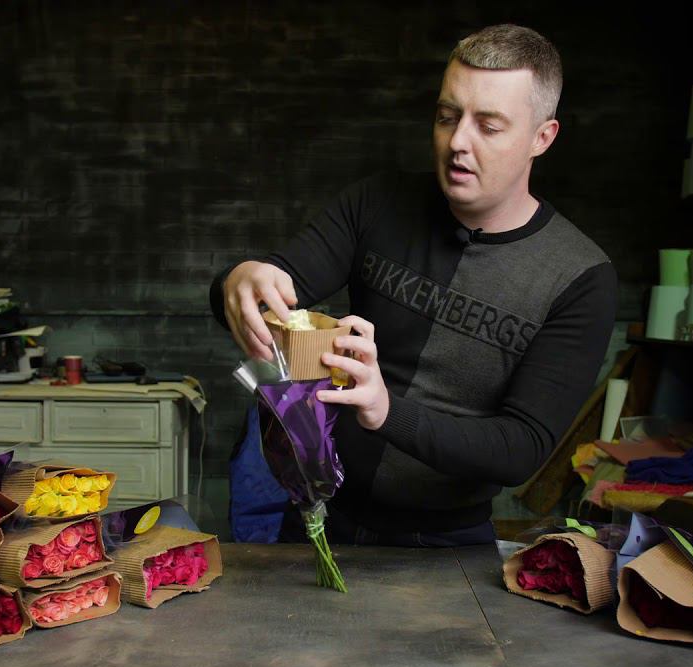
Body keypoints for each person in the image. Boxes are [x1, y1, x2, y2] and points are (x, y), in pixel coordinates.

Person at [210, 24, 617, 547]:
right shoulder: (377, 203)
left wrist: (386, 412)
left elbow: (521, 449)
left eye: (488, 126)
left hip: (447, 544)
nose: (457, 142)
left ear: (543, 137)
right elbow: (273, 288)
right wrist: (238, 280)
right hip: (319, 519)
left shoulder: (581, 276)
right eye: (448, 117)